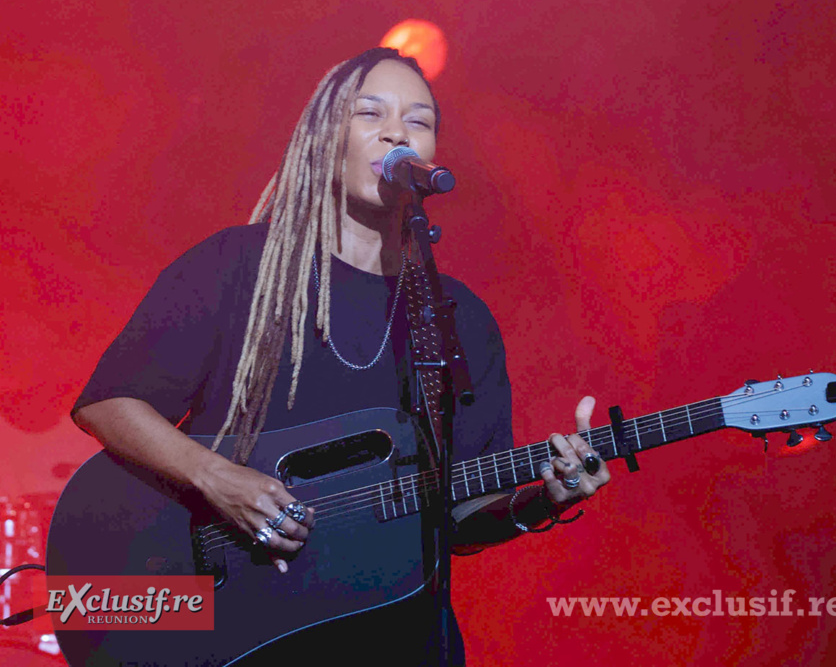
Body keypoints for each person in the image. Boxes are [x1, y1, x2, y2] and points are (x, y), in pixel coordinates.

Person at [72, 47, 610, 665]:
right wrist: (218, 479)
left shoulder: (458, 319)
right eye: (369, 112)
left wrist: (545, 496)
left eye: (419, 120)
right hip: (239, 634)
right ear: (324, 139)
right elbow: (108, 404)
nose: (396, 131)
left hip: (396, 641)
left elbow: (459, 516)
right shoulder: (238, 267)